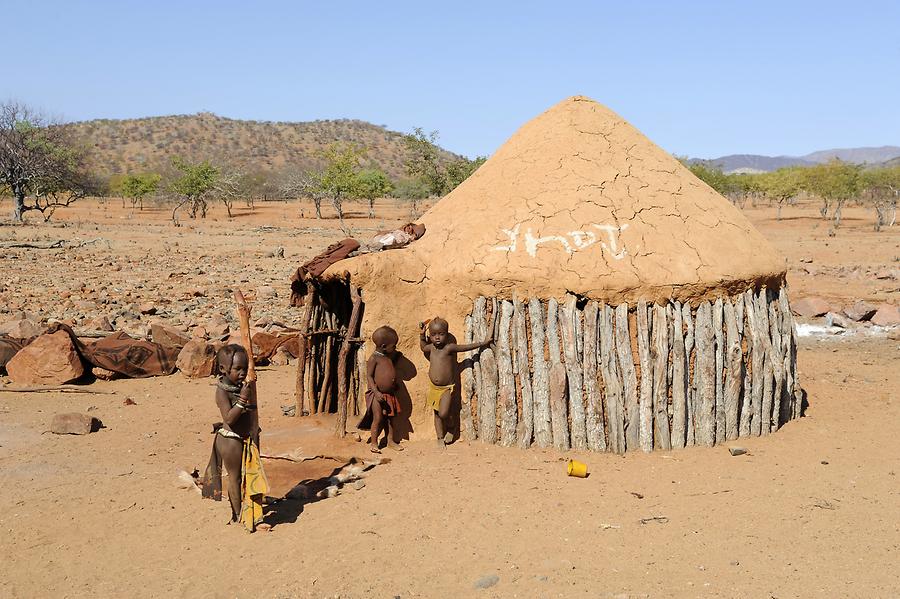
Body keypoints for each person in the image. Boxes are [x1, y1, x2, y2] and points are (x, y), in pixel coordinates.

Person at [201, 344, 269, 531]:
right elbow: (229, 418)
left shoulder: (240, 387)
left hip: (245, 438)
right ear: (223, 369)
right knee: (235, 478)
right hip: (231, 440)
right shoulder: (222, 391)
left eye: (244, 369)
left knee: (249, 475)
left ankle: (248, 510)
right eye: (238, 369)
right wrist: (243, 400)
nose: (242, 373)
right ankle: (237, 514)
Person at [420, 317, 493, 447]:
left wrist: (483, 343)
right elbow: (423, 347)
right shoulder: (430, 348)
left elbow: (466, 347)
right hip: (434, 388)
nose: (437, 337)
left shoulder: (449, 348)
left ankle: (451, 427)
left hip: (447, 388)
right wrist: (421, 335)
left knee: (444, 412)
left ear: (446, 335)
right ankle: (440, 438)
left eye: (441, 334)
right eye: (433, 335)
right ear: (429, 335)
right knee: (437, 414)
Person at [358, 326, 404, 454]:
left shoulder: (388, 356)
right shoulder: (374, 358)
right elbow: (369, 376)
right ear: (384, 346)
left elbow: (389, 368)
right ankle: (374, 443)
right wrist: (377, 392)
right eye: (393, 345)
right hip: (376, 394)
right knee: (378, 418)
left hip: (389, 394)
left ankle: (390, 441)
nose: (395, 347)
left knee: (390, 419)